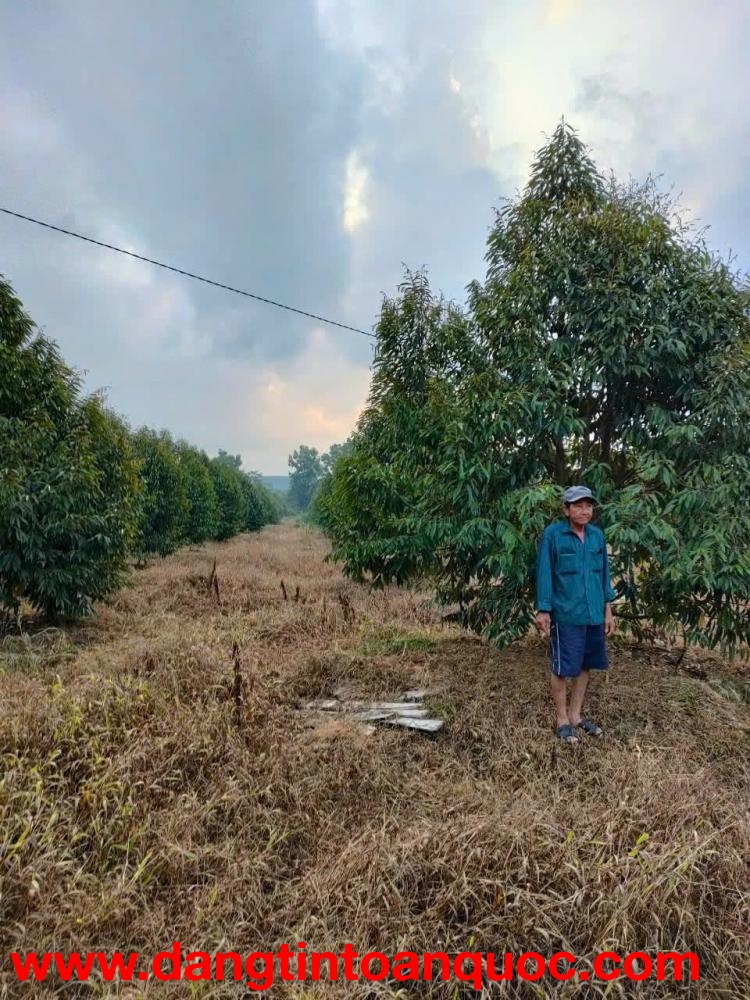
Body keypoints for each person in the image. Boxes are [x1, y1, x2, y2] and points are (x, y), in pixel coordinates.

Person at [535, 485, 617, 745]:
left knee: (585, 665)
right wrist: (543, 609)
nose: (584, 511)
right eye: (578, 506)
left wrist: (608, 610)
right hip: (566, 613)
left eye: (588, 506)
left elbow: (604, 574)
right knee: (562, 667)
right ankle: (562, 720)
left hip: (593, 613)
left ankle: (575, 715)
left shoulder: (597, 536)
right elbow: (545, 571)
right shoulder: (554, 535)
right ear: (566, 509)